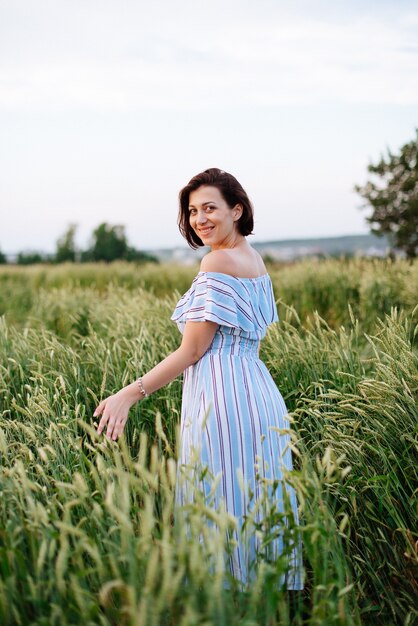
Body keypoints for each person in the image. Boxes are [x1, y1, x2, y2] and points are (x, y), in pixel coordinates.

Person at [95, 168, 304, 589]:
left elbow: (193, 350)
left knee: (219, 508)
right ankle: (260, 603)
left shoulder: (218, 260)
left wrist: (128, 395)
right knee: (253, 506)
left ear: (236, 209)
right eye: (193, 211)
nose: (199, 219)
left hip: (222, 398)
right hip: (257, 392)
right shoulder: (251, 257)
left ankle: (224, 604)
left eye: (210, 208)